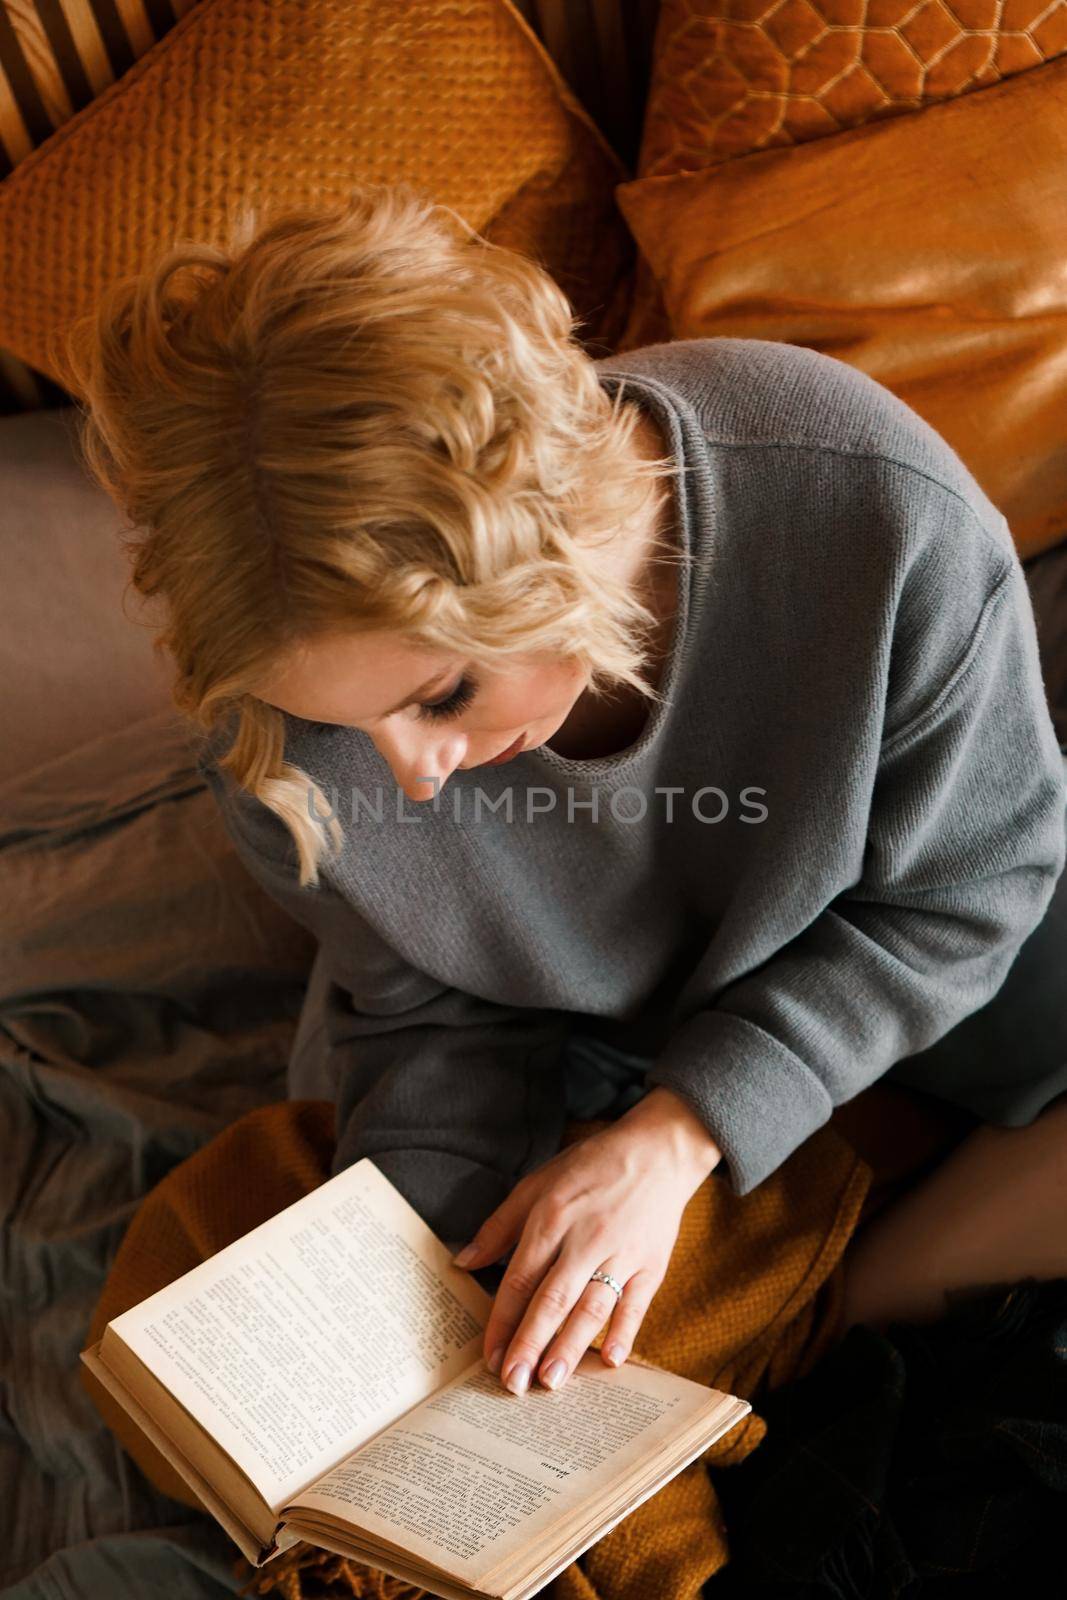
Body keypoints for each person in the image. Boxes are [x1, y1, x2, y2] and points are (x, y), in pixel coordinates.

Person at [57, 181, 1067, 1408]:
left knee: (901, 1352)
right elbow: (426, 1006)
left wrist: (675, 1132)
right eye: (341, 724)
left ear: (561, 545)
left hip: (965, 992)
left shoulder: (870, 507)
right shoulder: (275, 716)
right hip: (620, 1044)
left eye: (437, 696)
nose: (407, 775)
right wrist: (414, 1297)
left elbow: (973, 893)